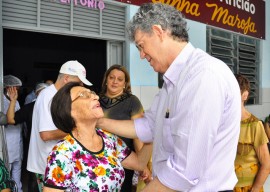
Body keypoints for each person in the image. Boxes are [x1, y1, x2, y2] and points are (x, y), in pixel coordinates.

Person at [97, 3, 241, 191]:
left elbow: (184, 171)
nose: (141, 55)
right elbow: (149, 126)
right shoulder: (172, 82)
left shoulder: (202, 76)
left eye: (141, 45)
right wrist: (100, 123)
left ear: (158, 32)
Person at [43, 82, 151, 191]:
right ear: (70, 111)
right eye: (84, 95)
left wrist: (152, 131)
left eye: (92, 93)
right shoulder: (61, 153)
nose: (96, 96)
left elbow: (139, 163)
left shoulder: (109, 138)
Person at [27, 60, 93, 192]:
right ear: (66, 78)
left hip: (56, 166)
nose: (81, 86)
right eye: (78, 82)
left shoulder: (59, 96)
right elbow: (46, 135)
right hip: (45, 167)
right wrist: (79, 128)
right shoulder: (48, 97)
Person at [99, 64, 145, 191]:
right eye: (111, 78)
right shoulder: (95, 101)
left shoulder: (132, 101)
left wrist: (142, 164)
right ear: (106, 80)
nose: (115, 82)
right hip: (98, 159)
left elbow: (138, 134)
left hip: (124, 159)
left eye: (120, 79)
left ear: (125, 83)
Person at [6, 82, 49, 192]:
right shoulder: (30, 108)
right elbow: (11, 120)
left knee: (51, 180)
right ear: (36, 94)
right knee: (34, 181)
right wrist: (13, 101)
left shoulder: (55, 108)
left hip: (52, 152)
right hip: (34, 151)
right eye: (41, 93)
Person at [234, 74, 270, 192]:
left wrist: (255, 189)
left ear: (245, 95)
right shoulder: (221, 122)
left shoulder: (254, 125)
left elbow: (266, 164)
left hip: (248, 188)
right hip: (225, 186)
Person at [3, 75, 23, 192]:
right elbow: (8, 120)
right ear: (8, 88)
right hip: (8, 142)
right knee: (7, 171)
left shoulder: (17, 101)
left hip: (17, 143)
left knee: (17, 170)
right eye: (15, 88)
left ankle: (18, 190)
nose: (17, 91)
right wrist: (12, 101)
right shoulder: (2, 100)